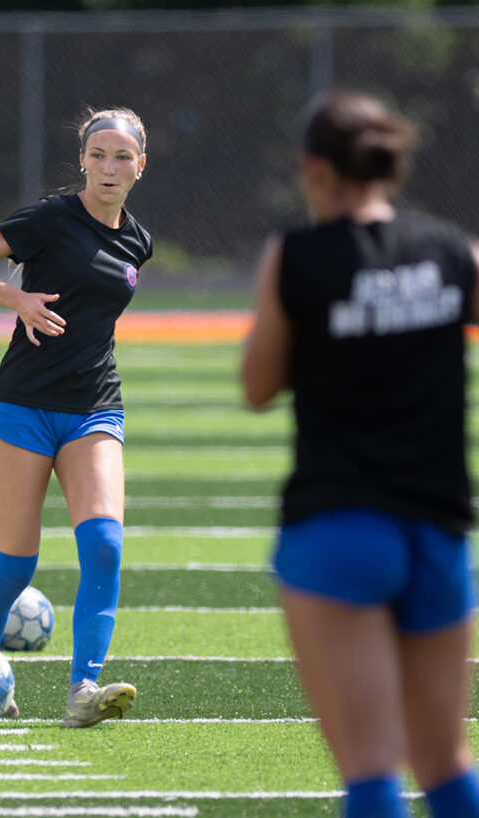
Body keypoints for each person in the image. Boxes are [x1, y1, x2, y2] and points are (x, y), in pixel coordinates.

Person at [241, 91, 479, 817]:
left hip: (338, 528)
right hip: (438, 531)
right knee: (447, 769)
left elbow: (258, 386)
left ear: (314, 170)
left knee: (374, 774)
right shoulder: (451, 250)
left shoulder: (296, 256)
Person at [0, 107, 152, 727]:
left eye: (121, 157)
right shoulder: (50, 216)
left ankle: (83, 692)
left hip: (93, 407)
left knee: (106, 544)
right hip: (21, 405)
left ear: (141, 165)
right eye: (97, 155)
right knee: (16, 561)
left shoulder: (138, 241)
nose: (108, 168)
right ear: (82, 161)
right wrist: (18, 299)